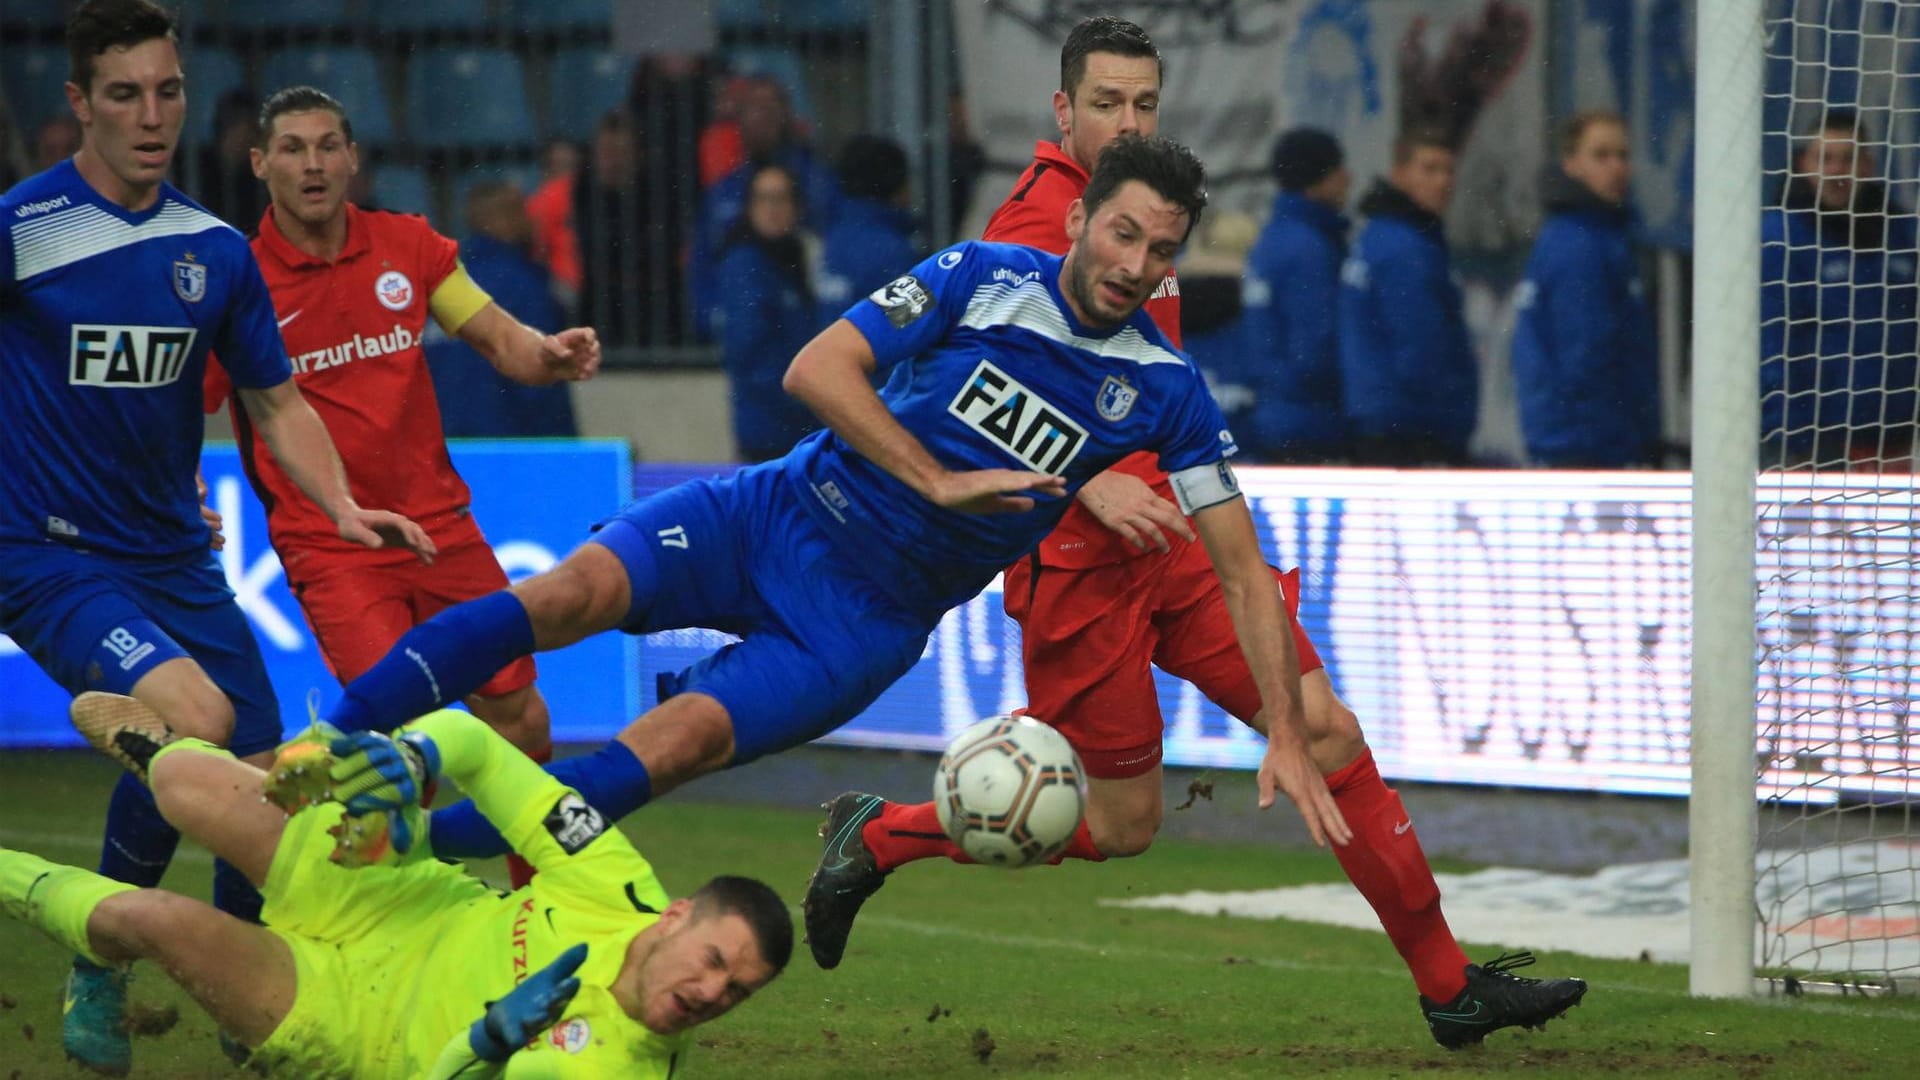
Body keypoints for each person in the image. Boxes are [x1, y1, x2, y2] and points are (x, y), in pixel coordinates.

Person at [316, 135, 1359, 966]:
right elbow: (818, 370)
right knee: (564, 594)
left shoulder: (1168, 390)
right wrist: (939, 479)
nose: (1136, 265)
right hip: (775, 512)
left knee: (673, 747)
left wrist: (1277, 722)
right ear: (1081, 219)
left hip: (856, 628)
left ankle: (393, 845)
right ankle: (324, 753)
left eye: (1161, 250)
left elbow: (1238, 569)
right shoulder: (979, 274)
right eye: (1123, 233)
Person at [800, 17, 1585, 1051]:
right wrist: (1083, 490)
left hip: (1172, 539)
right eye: (1107, 104)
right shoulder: (1033, 227)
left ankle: (1449, 986)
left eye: (1145, 104)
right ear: (1063, 113)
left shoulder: (1151, 213)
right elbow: (956, 393)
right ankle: (887, 835)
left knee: (1326, 731)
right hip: (1079, 561)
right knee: (1124, 829)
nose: (1127, 120)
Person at [0, 5, 433, 1071]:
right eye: (124, 94)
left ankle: (256, 1005)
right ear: (78, 104)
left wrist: (336, 505)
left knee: (262, 772)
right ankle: (101, 958)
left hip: (171, 554)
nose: (152, 117)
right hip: (47, 550)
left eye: (168, 92)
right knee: (194, 713)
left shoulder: (212, 249)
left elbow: (278, 403)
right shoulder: (22, 229)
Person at [0, 691, 790, 1078]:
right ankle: (171, 755)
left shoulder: (614, 1069)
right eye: (716, 960)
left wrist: (482, 1047)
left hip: (353, 1017)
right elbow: (479, 746)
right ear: (678, 915)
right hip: (394, 896)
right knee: (182, 793)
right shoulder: (615, 882)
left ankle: (88, 948)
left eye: (737, 993)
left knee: (152, 916)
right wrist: (418, 761)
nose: (714, 993)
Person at [204, 86, 601, 771]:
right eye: (293, 149)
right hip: (332, 546)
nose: (313, 165)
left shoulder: (407, 245)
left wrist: (549, 355)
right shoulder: (236, 282)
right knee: (395, 737)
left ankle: (540, 879)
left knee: (519, 715)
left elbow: (502, 340)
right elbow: (181, 405)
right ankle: (403, 877)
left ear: (353, 158)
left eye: (328, 146)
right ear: (259, 163)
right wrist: (187, 493)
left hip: (441, 528)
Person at [1760, 108, 1918, 468]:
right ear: (1803, 163)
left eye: (1848, 158)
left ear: (1868, 165)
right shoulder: (1781, 236)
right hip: (1814, 442)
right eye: (1824, 159)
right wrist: (1793, 437)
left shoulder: (1900, 233)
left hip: (1893, 436)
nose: (1836, 171)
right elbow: (1774, 341)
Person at [1511, 111, 1659, 468]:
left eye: (1623, 156)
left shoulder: (1594, 236)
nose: (1616, 167)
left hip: (1576, 440)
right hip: (1587, 447)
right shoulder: (1581, 245)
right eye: (1601, 155)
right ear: (1571, 164)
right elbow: (1585, 358)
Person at [1339, 127, 1478, 466]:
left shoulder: (1376, 236)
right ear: (1399, 174)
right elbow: (1421, 347)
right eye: (1429, 169)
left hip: (1381, 418)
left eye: (1448, 170)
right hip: (1413, 429)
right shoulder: (1407, 250)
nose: (1443, 181)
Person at [1233, 127, 1353, 463]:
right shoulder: (1310, 249)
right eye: (1338, 168)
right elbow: (1316, 347)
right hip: (1312, 422)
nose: (1348, 178)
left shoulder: (1270, 240)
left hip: (1276, 412)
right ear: (1320, 178)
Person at [427, 180, 580, 439]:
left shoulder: (439, 282)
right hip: (510, 452)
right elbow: (544, 375)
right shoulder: (524, 286)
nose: (531, 223)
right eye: (522, 212)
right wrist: (563, 450)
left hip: (442, 451)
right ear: (503, 220)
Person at [713, 161, 826, 461]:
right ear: (749, 207)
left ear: (797, 206)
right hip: (769, 431)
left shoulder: (797, 260)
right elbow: (750, 354)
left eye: (781, 198)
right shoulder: (745, 265)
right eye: (763, 199)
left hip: (798, 427)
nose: (772, 209)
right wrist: (811, 399)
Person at [815, 133, 919, 320]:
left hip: (829, 348)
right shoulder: (892, 251)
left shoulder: (835, 237)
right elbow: (913, 325)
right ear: (895, 184)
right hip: (868, 349)